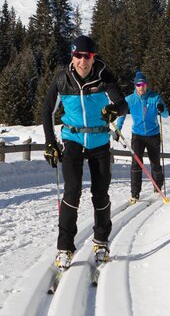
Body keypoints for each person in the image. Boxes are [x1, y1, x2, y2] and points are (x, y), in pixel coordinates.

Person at [42, 35, 128, 270]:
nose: (83, 62)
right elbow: (47, 110)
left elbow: (123, 104)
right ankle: (65, 247)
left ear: (93, 57)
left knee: (100, 193)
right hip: (73, 141)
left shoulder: (103, 75)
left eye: (87, 56)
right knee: (72, 192)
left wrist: (113, 109)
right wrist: (50, 143)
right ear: (73, 56)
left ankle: (101, 242)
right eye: (78, 56)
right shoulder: (62, 79)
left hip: (99, 140)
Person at [115, 71, 169, 204]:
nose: (141, 87)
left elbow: (166, 114)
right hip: (137, 136)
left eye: (143, 84)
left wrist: (162, 108)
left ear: (146, 84)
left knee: (155, 163)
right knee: (136, 164)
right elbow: (121, 114)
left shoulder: (155, 97)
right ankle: (135, 194)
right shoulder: (130, 99)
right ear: (135, 86)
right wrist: (118, 129)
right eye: (138, 85)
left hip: (153, 135)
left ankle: (158, 187)